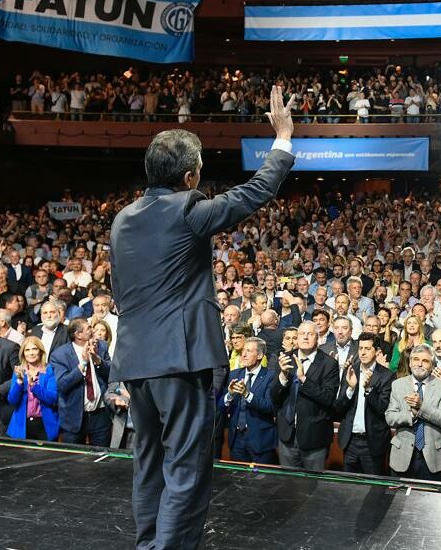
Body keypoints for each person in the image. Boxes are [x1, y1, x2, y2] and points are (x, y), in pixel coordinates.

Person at [108, 86, 295, 550]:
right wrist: (283, 139)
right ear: (191, 177)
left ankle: (149, 544)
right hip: (180, 358)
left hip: (135, 361)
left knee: (148, 462)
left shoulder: (122, 219)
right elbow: (254, 193)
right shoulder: (187, 209)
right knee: (187, 468)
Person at [269, 321, 339, 470]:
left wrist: (303, 379)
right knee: (287, 487)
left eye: (310, 334)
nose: (305, 337)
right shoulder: (285, 358)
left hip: (314, 440)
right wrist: (283, 375)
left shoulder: (329, 364)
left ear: (318, 338)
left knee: (312, 489)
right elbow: (274, 397)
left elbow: (328, 398)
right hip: (286, 437)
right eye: (302, 334)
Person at [386, 343, 441, 480]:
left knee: (429, 500)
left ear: (432, 365)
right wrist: (411, 415)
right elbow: (390, 417)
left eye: (425, 361)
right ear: (410, 363)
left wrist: (421, 407)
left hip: (433, 457)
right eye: (416, 359)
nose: (419, 364)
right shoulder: (398, 384)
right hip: (402, 455)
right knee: (399, 500)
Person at [333, 332, 396, 475]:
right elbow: (338, 407)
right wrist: (350, 389)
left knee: (373, 490)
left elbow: (383, 409)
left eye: (367, 349)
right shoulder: (350, 371)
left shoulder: (387, 376)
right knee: (349, 487)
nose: (362, 352)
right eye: (360, 348)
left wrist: (368, 389)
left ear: (377, 351)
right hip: (350, 442)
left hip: (372, 443)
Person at [52, 318, 113, 445]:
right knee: (73, 461)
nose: (93, 330)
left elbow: (111, 374)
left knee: (102, 457)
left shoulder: (101, 346)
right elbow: (62, 384)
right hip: (74, 416)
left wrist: (98, 361)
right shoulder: (60, 355)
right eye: (89, 328)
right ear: (78, 334)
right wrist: (83, 364)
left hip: (100, 415)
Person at [223, 337, 278, 464]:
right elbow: (222, 405)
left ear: (259, 355)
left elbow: (269, 406)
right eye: (243, 351)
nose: (244, 354)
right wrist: (230, 395)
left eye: (248, 351)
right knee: (237, 480)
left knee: (262, 481)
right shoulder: (234, 374)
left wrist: (247, 394)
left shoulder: (271, 376)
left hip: (260, 440)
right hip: (236, 439)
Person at [5, 336, 59, 441]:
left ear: (40, 351)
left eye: (35, 349)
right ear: (23, 353)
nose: (31, 353)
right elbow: (12, 400)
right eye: (27, 350)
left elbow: (53, 398)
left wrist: (34, 386)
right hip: (22, 425)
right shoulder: (19, 372)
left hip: (44, 424)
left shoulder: (49, 371)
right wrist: (19, 382)